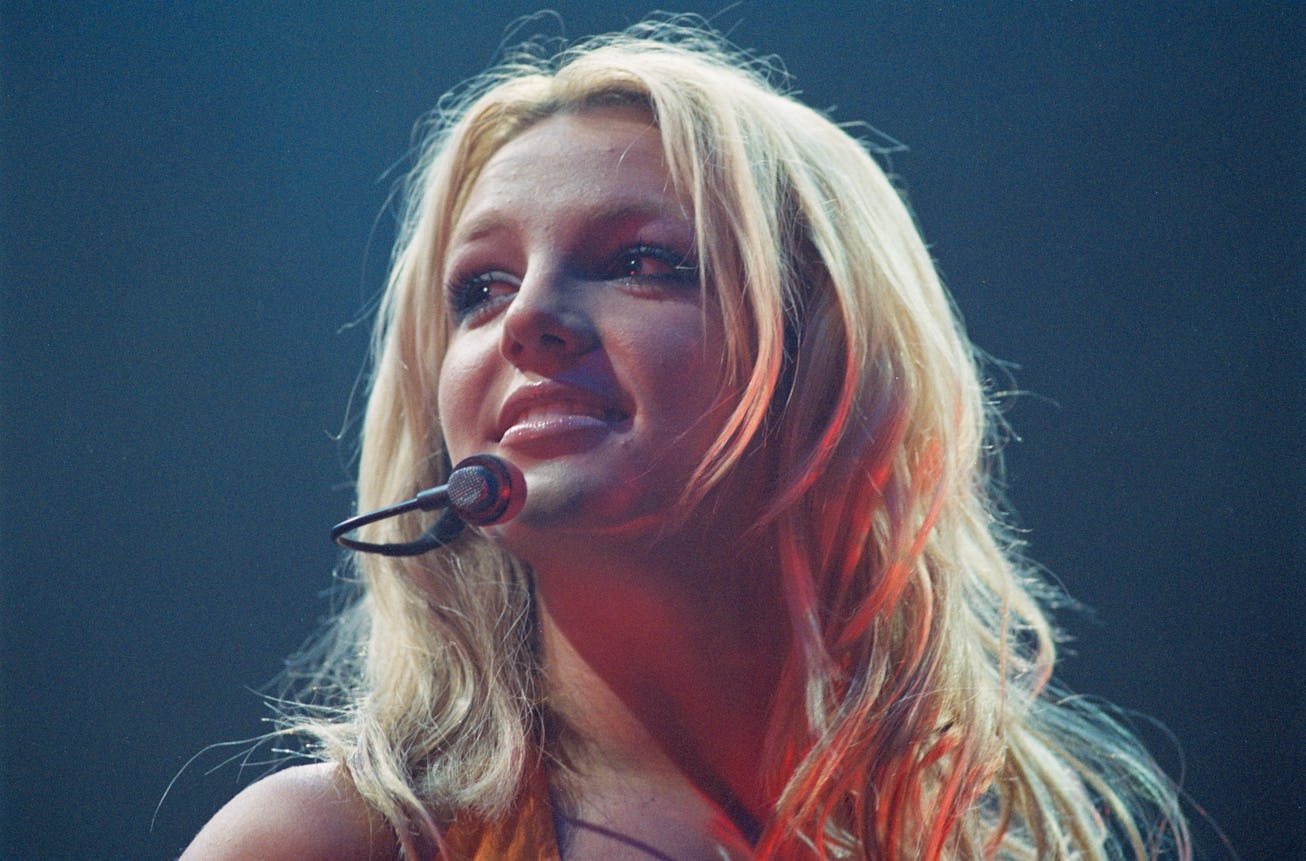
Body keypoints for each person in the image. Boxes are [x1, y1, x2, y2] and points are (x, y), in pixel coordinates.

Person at [182, 20, 1191, 861]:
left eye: (639, 261)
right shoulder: (332, 842)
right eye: (479, 289)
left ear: (831, 357)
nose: (528, 317)